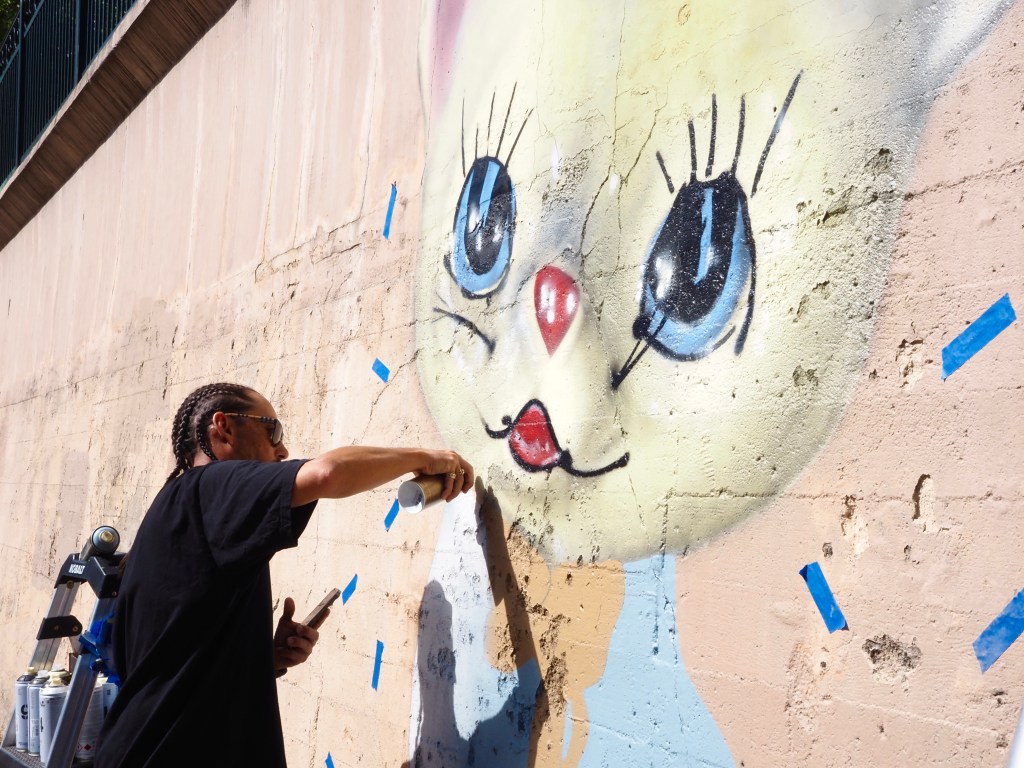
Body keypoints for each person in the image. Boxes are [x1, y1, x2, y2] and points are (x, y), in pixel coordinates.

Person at [94, 382, 474, 767]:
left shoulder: (181, 509)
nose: (282, 450)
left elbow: (174, 660)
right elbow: (326, 474)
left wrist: (264, 657)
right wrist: (425, 459)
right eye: (272, 431)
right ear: (223, 429)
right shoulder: (210, 487)